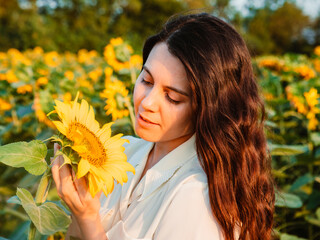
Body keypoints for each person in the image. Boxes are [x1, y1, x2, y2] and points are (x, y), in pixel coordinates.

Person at [51, 12, 275, 240]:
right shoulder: (121, 152)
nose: (146, 103)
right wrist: (77, 206)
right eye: (146, 81)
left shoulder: (197, 196)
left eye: (172, 98)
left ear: (207, 110)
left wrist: (88, 218)